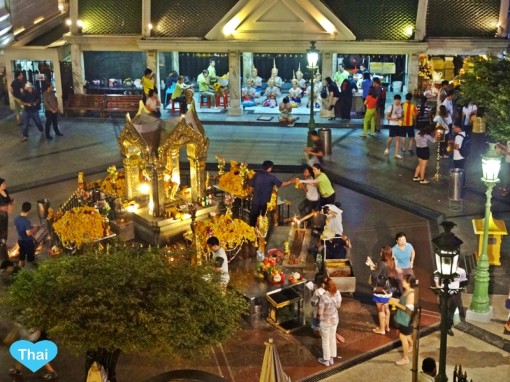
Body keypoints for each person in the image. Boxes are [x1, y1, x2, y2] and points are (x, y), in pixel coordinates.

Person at [248, 161, 292, 226]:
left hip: (256, 200)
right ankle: (261, 231)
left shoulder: (257, 175)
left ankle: (251, 231)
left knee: (253, 217)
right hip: (265, 202)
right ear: (269, 168)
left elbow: (251, 184)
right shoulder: (271, 177)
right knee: (263, 218)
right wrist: (291, 181)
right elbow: (282, 184)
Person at [366, 246, 398, 334]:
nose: (380, 253)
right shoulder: (392, 262)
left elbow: (375, 275)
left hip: (381, 289)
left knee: (380, 309)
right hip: (389, 289)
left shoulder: (382, 263)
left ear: (384, 254)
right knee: (386, 308)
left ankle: (382, 329)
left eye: (381, 252)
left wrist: (371, 268)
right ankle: (387, 326)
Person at [389, 274, 416, 366]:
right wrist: (394, 300)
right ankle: (412, 345)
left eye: (404, 281)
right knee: (407, 335)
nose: (402, 282)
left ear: (409, 283)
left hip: (406, 319)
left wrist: (396, 304)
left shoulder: (411, 294)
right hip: (402, 318)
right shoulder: (406, 291)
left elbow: (408, 310)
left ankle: (405, 358)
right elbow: (402, 301)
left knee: (402, 337)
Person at [434, 266, 468, 336]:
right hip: (444, 292)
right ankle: (443, 326)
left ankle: (448, 327)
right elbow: (436, 275)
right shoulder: (443, 268)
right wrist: (437, 285)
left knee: (451, 311)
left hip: (455, 294)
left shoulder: (461, 271)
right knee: (444, 310)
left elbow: (463, 281)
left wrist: (458, 288)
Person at [317, 278, 342, 366]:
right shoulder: (337, 293)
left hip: (325, 321)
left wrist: (318, 316)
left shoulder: (324, 296)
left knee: (325, 340)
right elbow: (338, 306)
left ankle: (326, 360)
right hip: (335, 319)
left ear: (325, 286)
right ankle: (332, 358)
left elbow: (320, 311)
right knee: (332, 338)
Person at [14, 201, 36, 268]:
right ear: (29, 210)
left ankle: (21, 267)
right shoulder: (26, 221)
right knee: (30, 255)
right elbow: (28, 233)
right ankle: (32, 267)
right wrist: (33, 230)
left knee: (22, 254)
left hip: (20, 239)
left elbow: (17, 227)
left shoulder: (16, 218)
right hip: (27, 241)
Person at [0, 178, 14, 262]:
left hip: (5, 216)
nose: (5, 185)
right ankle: (2, 254)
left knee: (5, 230)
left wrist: (10, 205)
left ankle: (4, 247)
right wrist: (3, 208)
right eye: (3, 184)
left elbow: (8, 201)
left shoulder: (5, 191)